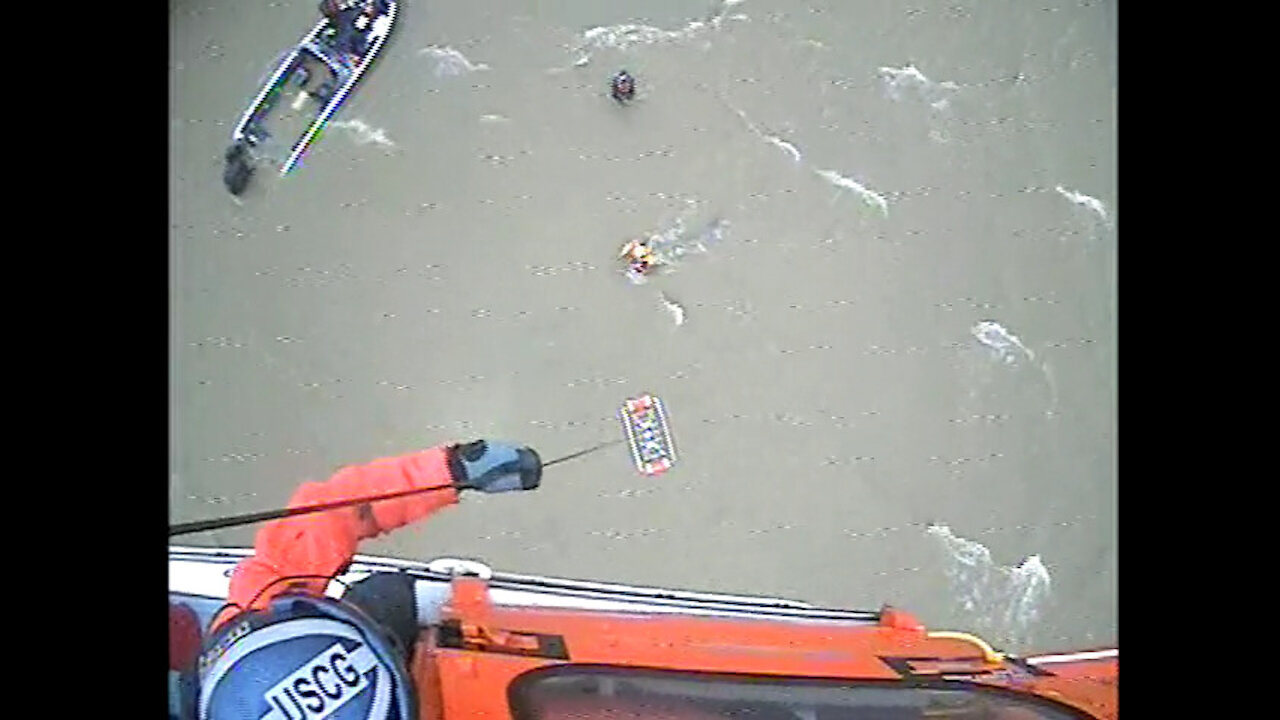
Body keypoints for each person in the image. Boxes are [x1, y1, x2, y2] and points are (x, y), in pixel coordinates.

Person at [173, 439, 543, 720]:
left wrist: (450, 470)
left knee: (390, 593)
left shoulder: (261, 607)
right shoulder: (261, 617)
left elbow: (328, 517)